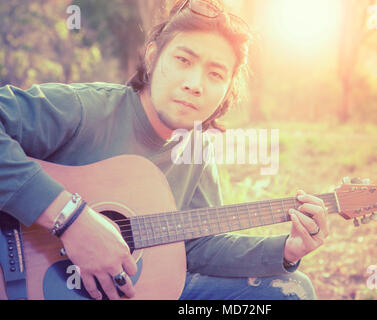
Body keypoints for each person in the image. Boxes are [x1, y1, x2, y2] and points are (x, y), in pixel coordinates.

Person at [0, 0, 329, 300]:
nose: (195, 83)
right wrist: (71, 220)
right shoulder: (86, 109)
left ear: (228, 89)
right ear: (153, 55)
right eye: (183, 60)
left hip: (134, 291)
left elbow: (198, 244)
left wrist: (285, 250)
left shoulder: (196, 149)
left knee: (291, 292)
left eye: (215, 74)